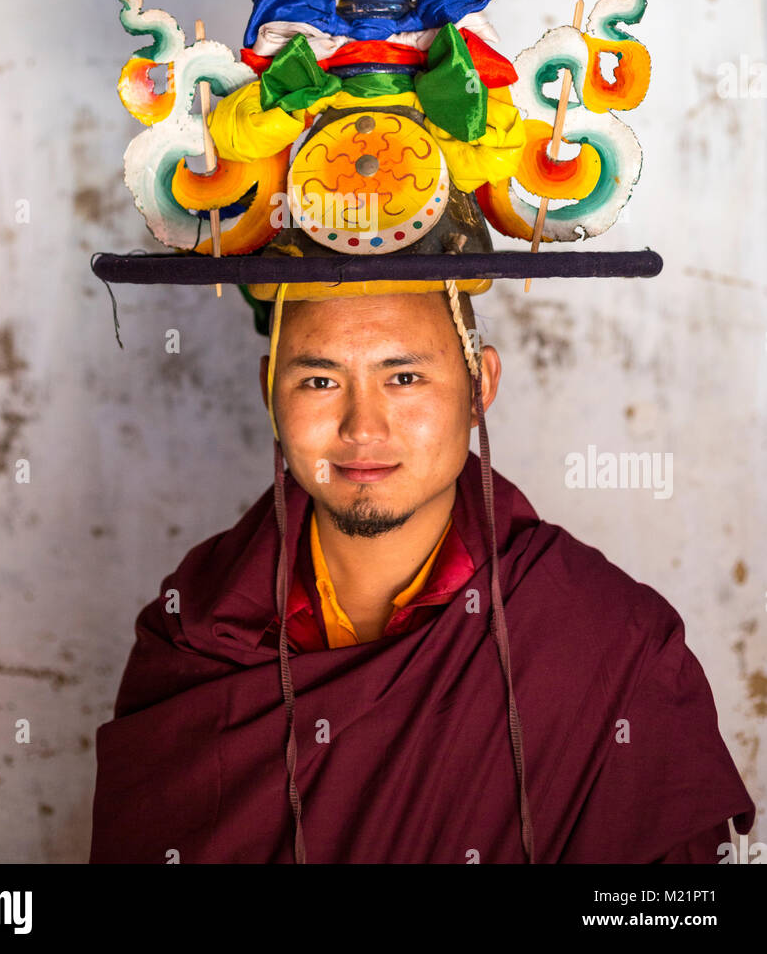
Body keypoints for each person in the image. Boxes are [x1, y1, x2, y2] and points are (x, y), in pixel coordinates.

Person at [89, 284, 756, 864]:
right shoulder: (196, 632)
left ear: (480, 387)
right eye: (320, 381)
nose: (362, 427)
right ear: (270, 391)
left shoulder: (609, 646)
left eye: (403, 378)